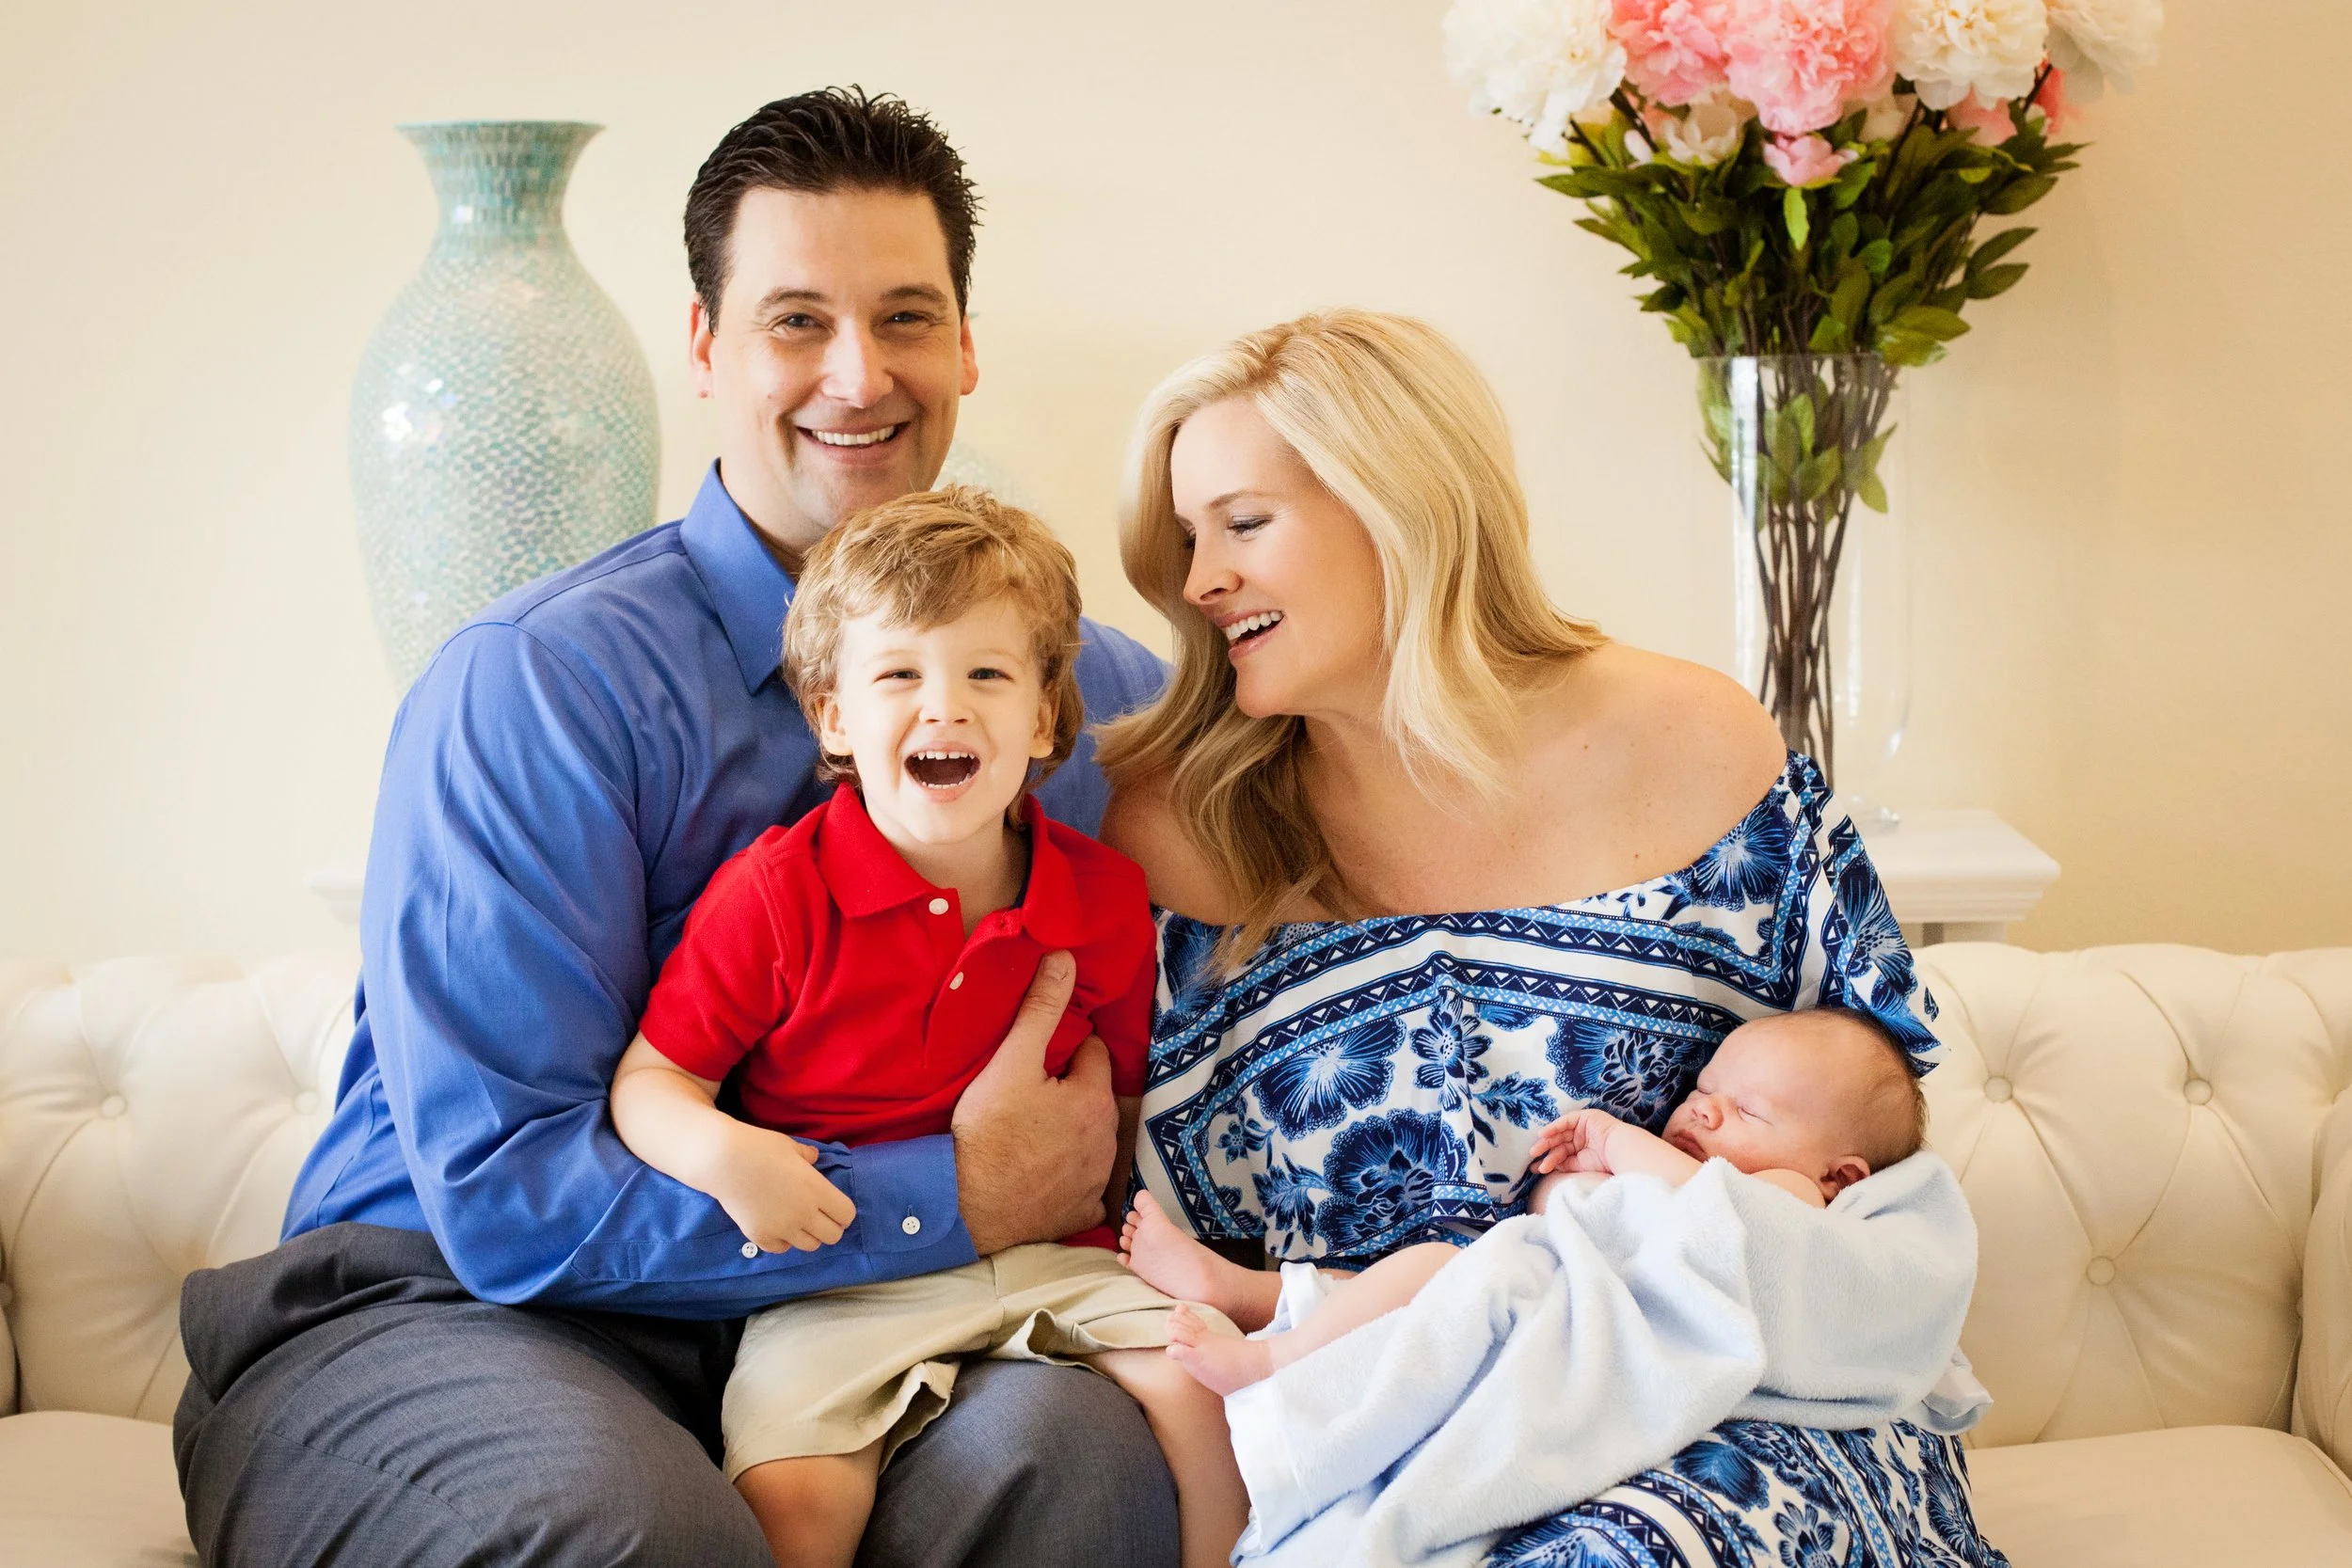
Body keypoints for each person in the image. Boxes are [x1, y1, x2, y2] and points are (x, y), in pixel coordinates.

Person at [172, 90, 1176, 1568]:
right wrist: (950, 1196)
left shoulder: (1094, 699)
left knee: (1076, 1451)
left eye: (905, 316)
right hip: (451, 1310)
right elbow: (506, 1197)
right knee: (630, 1529)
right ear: (705, 347)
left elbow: (1317, 847)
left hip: (874, 1323)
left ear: (965, 346)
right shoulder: (539, 685)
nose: (858, 374)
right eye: (795, 320)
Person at [1096, 309, 2008, 1564]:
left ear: (1398, 504)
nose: (1201, 581)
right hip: (1390, 1431)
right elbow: (1119, 1211)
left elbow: (1869, 1143)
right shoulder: (1166, 825)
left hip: (1735, 1403)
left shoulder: (1698, 746)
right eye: (1188, 540)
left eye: (1243, 523)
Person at [608, 488, 1247, 1568]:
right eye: (898, 674)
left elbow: (1126, 1106)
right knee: (795, 1495)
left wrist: (1157, 1241)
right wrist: (727, 1155)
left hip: (1054, 1254)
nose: (944, 707)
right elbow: (652, 1079)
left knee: (1206, 1386)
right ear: (834, 718)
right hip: (841, 1279)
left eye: (986, 674)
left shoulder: (1100, 895)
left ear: (1042, 717)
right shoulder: (775, 897)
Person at [1121, 1007, 1928, 1396]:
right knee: (1419, 1276)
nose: (1703, 1110)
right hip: (1547, 1298)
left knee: (1426, 1286)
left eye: (1746, 1110)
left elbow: (1716, 1212)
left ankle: (1267, 1356)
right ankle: (1252, 1300)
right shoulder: (1695, 1173)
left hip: (1586, 1343)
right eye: (1706, 1088)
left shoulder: (1796, 1201)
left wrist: (1612, 1140)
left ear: (1841, 1175)